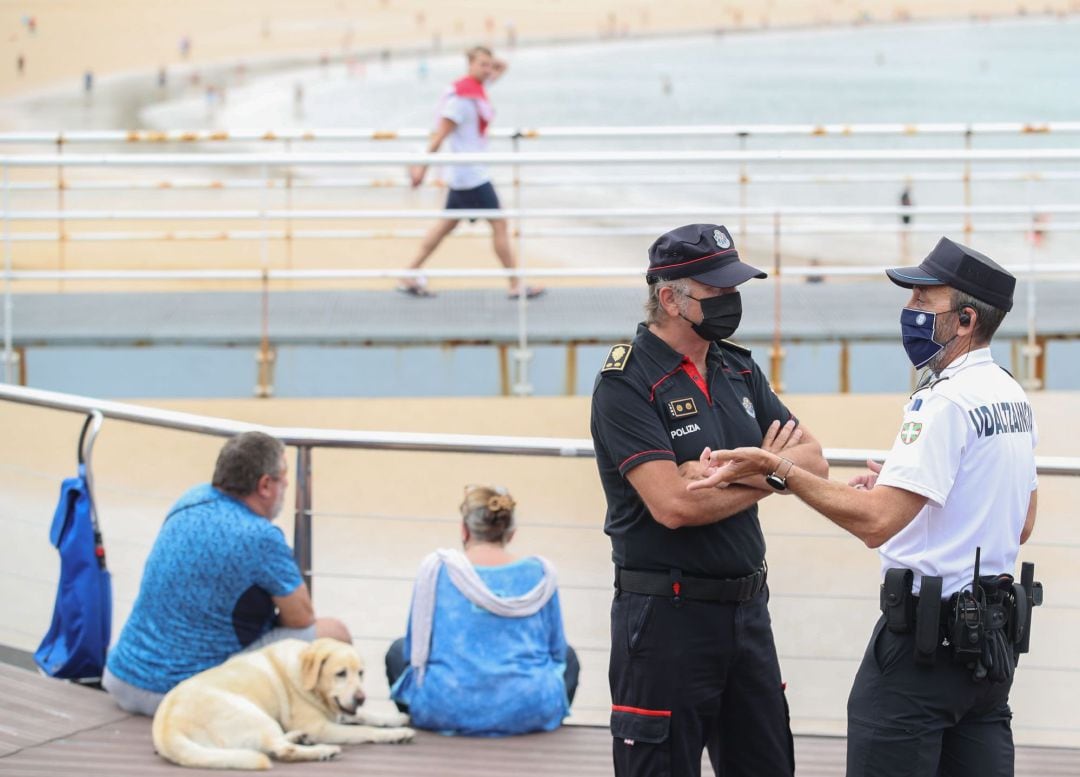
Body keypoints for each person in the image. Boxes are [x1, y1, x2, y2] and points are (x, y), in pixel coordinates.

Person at [690, 237, 1040, 777]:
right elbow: (1021, 520)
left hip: (924, 653)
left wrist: (777, 468)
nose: (910, 313)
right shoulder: (1009, 394)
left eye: (924, 302)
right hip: (989, 655)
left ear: (966, 320)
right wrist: (921, 490)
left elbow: (877, 523)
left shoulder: (943, 400)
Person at [589, 223, 829, 777]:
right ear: (670, 297)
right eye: (717, 292)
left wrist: (747, 472)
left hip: (748, 614)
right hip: (665, 619)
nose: (731, 302)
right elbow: (674, 506)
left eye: (733, 290)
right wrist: (770, 471)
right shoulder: (626, 381)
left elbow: (814, 460)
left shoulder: (737, 366)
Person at [103, 432, 350, 716]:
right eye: (283, 478)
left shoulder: (190, 499)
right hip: (178, 696)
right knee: (333, 635)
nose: (285, 486)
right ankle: (313, 721)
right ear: (265, 485)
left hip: (122, 677)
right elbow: (301, 619)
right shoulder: (260, 536)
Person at [385, 484, 576, 736]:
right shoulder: (541, 574)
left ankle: (422, 726)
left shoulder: (436, 570)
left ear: (464, 529)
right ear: (511, 533)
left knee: (397, 651)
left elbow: (413, 651)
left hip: (444, 708)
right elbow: (557, 651)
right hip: (528, 709)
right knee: (570, 657)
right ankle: (535, 721)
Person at [400, 46, 543, 300]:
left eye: (489, 65)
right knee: (499, 224)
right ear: (469, 65)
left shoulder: (474, 91)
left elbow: (503, 67)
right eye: (482, 64)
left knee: (444, 226)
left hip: (464, 176)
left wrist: (486, 61)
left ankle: (410, 271)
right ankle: (514, 284)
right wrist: (421, 168)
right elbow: (439, 137)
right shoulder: (462, 100)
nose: (488, 69)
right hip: (471, 177)